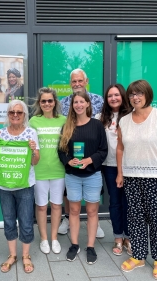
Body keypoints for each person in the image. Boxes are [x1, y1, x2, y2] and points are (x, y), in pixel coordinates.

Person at [116, 80, 157, 280]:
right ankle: (139, 256)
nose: (135, 97)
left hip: (156, 178)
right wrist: (120, 173)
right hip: (132, 178)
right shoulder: (124, 121)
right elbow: (120, 148)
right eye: (132, 94)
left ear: (147, 95)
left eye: (139, 93)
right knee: (135, 219)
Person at [58, 91, 107, 264]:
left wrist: (89, 160)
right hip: (73, 176)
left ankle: (91, 246)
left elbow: (103, 150)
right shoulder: (67, 126)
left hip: (92, 175)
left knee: (92, 211)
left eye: (81, 102)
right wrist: (69, 161)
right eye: (75, 102)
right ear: (72, 106)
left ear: (88, 104)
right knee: (73, 211)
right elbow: (61, 150)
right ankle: (74, 244)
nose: (78, 105)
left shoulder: (97, 125)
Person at [0, 100, 39, 274]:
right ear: (8, 115)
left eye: (19, 112)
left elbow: (35, 161)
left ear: (24, 115)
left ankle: (26, 256)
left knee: (26, 222)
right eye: (12, 112)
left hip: (25, 185)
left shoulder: (31, 133)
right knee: (9, 221)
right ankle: (12, 255)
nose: (15, 115)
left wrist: (33, 150)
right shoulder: (0, 134)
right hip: (5, 186)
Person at [95, 84, 132, 256]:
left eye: (116, 95)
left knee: (129, 203)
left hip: (130, 166)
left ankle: (129, 237)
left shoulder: (132, 116)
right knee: (115, 202)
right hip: (109, 166)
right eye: (110, 96)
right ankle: (118, 236)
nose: (113, 98)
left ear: (122, 96)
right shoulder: (100, 117)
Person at [29, 87, 66, 255]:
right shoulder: (33, 121)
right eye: (43, 101)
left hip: (59, 170)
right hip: (39, 170)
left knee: (57, 205)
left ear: (55, 102)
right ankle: (44, 238)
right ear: (39, 103)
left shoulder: (63, 120)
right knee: (42, 206)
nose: (47, 103)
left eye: (50, 100)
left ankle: (54, 238)